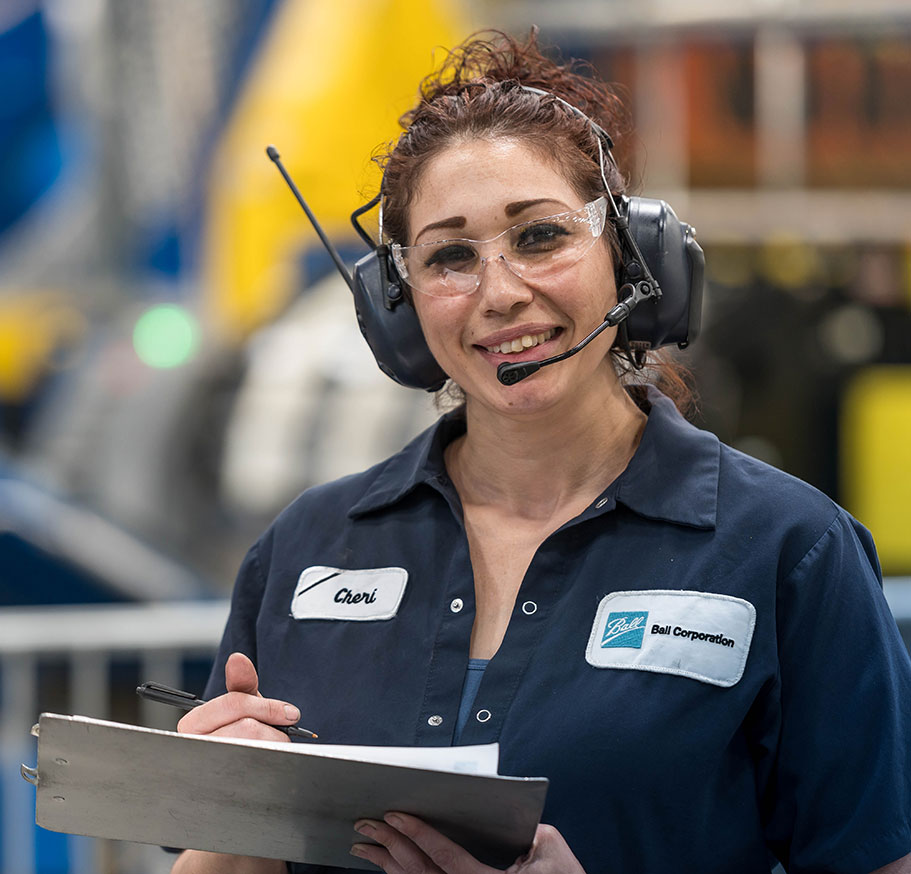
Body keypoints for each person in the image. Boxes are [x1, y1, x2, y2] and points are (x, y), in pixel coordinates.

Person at [171, 30, 911, 874]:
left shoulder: (786, 549)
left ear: (629, 257)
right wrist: (223, 815)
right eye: (449, 256)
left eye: (539, 236)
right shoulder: (311, 544)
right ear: (398, 308)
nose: (500, 294)